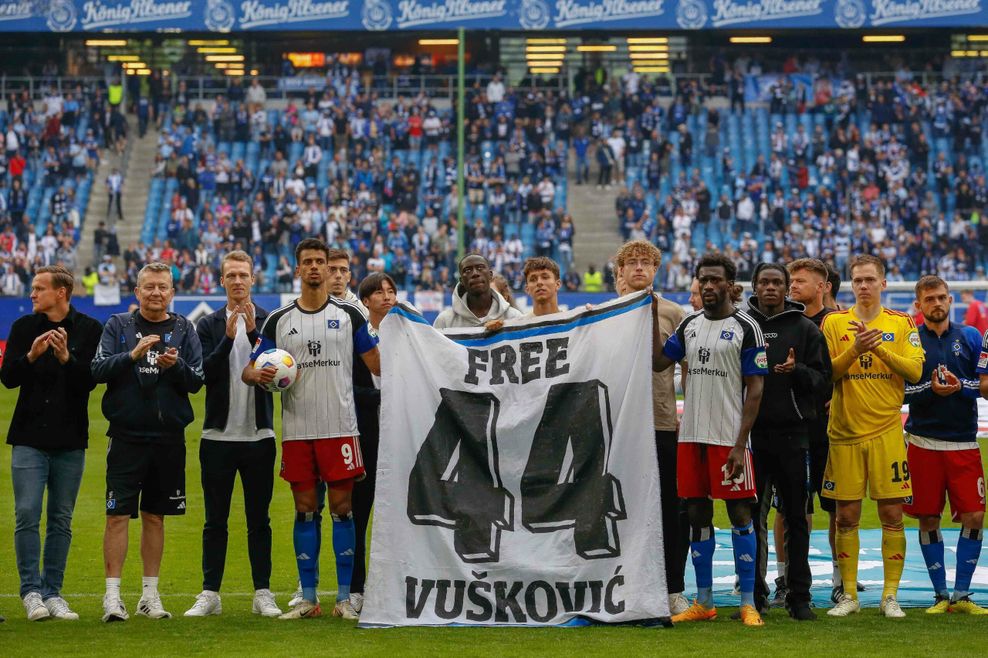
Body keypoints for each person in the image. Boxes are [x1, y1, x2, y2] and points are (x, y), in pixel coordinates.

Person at [243, 238, 381, 621]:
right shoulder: (278, 320)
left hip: (341, 428)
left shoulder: (350, 315)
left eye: (321, 261)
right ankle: (308, 598)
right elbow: (249, 370)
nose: (317, 268)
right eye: (309, 262)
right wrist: (259, 374)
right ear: (298, 269)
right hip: (298, 431)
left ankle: (343, 599)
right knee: (305, 510)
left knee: (342, 509)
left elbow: (379, 364)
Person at [655, 254, 768, 627]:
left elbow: (755, 389)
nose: (707, 286)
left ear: (730, 285)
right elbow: (658, 362)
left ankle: (749, 601)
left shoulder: (746, 328)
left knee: (740, 514)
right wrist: (637, 315)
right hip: (691, 437)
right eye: (702, 280)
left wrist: (740, 444)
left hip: (727, 438)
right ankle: (704, 601)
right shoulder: (688, 325)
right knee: (698, 515)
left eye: (714, 280)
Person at [92, 262, 205, 622]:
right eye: (149, 287)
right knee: (117, 515)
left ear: (172, 292)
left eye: (163, 287)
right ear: (137, 291)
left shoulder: (185, 328)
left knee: (155, 516)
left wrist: (176, 367)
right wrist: (133, 355)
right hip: (126, 436)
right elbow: (97, 370)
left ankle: (149, 596)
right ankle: (112, 597)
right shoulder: (117, 325)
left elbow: (196, 381)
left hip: (168, 438)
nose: (156, 293)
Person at [821, 254, 924, 619]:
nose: (863, 286)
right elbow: (825, 374)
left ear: (883, 283)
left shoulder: (901, 323)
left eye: (869, 279)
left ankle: (890, 596)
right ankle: (849, 595)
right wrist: (855, 349)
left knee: (892, 515)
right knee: (846, 517)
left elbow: (914, 371)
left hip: (886, 433)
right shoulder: (834, 323)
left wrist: (877, 347)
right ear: (850, 284)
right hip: (845, 433)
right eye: (857, 280)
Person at [1, 266, 102, 621]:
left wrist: (65, 359)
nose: (32, 294)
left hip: (69, 438)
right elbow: (8, 379)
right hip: (28, 436)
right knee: (27, 513)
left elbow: (91, 379)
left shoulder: (90, 329)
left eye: (39, 288)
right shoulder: (23, 328)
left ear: (61, 293)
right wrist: (30, 356)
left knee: (61, 518)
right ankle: (31, 592)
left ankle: (53, 593)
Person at [185, 251, 280, 618]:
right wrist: (227, 339)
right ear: (221, 281)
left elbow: (276, 363)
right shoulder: (208, 325)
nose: (237, 281)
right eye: (231, 276)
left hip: (260, 436)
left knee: (260, 519)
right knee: (215, 520)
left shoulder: (269, 321)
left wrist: (253, 330)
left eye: (243, 275)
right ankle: (210, 592)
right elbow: (201, 374)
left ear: (253, 279)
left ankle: (263, 592)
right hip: (217, 437)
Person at [746, 262, 831, 621]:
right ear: (754, 286)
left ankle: (799, 596)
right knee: (752, 519)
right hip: (750, 437)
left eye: (776, 282)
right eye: (764, 281)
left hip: (795, 435)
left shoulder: (805, 328)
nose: (770, 288)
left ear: (785, 289)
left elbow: (825, 381)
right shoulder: (743, 328)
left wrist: (796, 371)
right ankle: (754, 595)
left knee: (797, 516)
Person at [616, 240, 690, 615]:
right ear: (620, 272)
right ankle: (622, 581)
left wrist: (689, 411)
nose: (640, 268)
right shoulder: (604, 312)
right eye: (632, 263)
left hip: (660, 420)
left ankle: (673, 586)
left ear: (657, 270)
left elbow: (688, 366)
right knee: (618, 505)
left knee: (670, 507)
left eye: (647, 262)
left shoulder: (673, 312)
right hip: (616, 424)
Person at [907, 276, 986, 614]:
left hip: (963, 442)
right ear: (918, 305)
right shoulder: (910, 340)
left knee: (975, 516)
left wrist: (959, 387)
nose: (937, 303)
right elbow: (899, 391)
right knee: (927, 518)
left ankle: (963, 595)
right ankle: (941, 596)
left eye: (941, 297)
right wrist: (929, 389)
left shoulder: (969, 336)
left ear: (951, 300)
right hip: (923, 441)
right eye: (929, 299)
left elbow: (983, 386)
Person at [787, 258, 860, 602]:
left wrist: (836, 397)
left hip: (832, 429)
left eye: (799, 281)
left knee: (835, 506)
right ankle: (787, 577)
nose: (792, 286)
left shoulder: (840, 323)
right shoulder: (788, 322)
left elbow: (851, 371)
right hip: (794, 425)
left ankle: (839, 575)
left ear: (824, 286)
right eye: (792, 280)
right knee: (790, 506)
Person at [349, 272, 399, 614]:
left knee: (401, 515)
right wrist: (383, 398)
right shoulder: (358, 336)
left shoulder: (412, 335)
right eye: (379, 292)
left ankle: (401, 583)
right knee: (358, 513)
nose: (387, 296)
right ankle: (355, 588)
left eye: (391, 290)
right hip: (366, 435)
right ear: (365, 301)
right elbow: (347, 389)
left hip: (403, 436)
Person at [433, 254, 522, 329]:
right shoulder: (444, 322)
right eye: (468, 270)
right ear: (461, 281)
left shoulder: (514, 317)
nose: (475, 273)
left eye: (480, 268)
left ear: (490, 275)